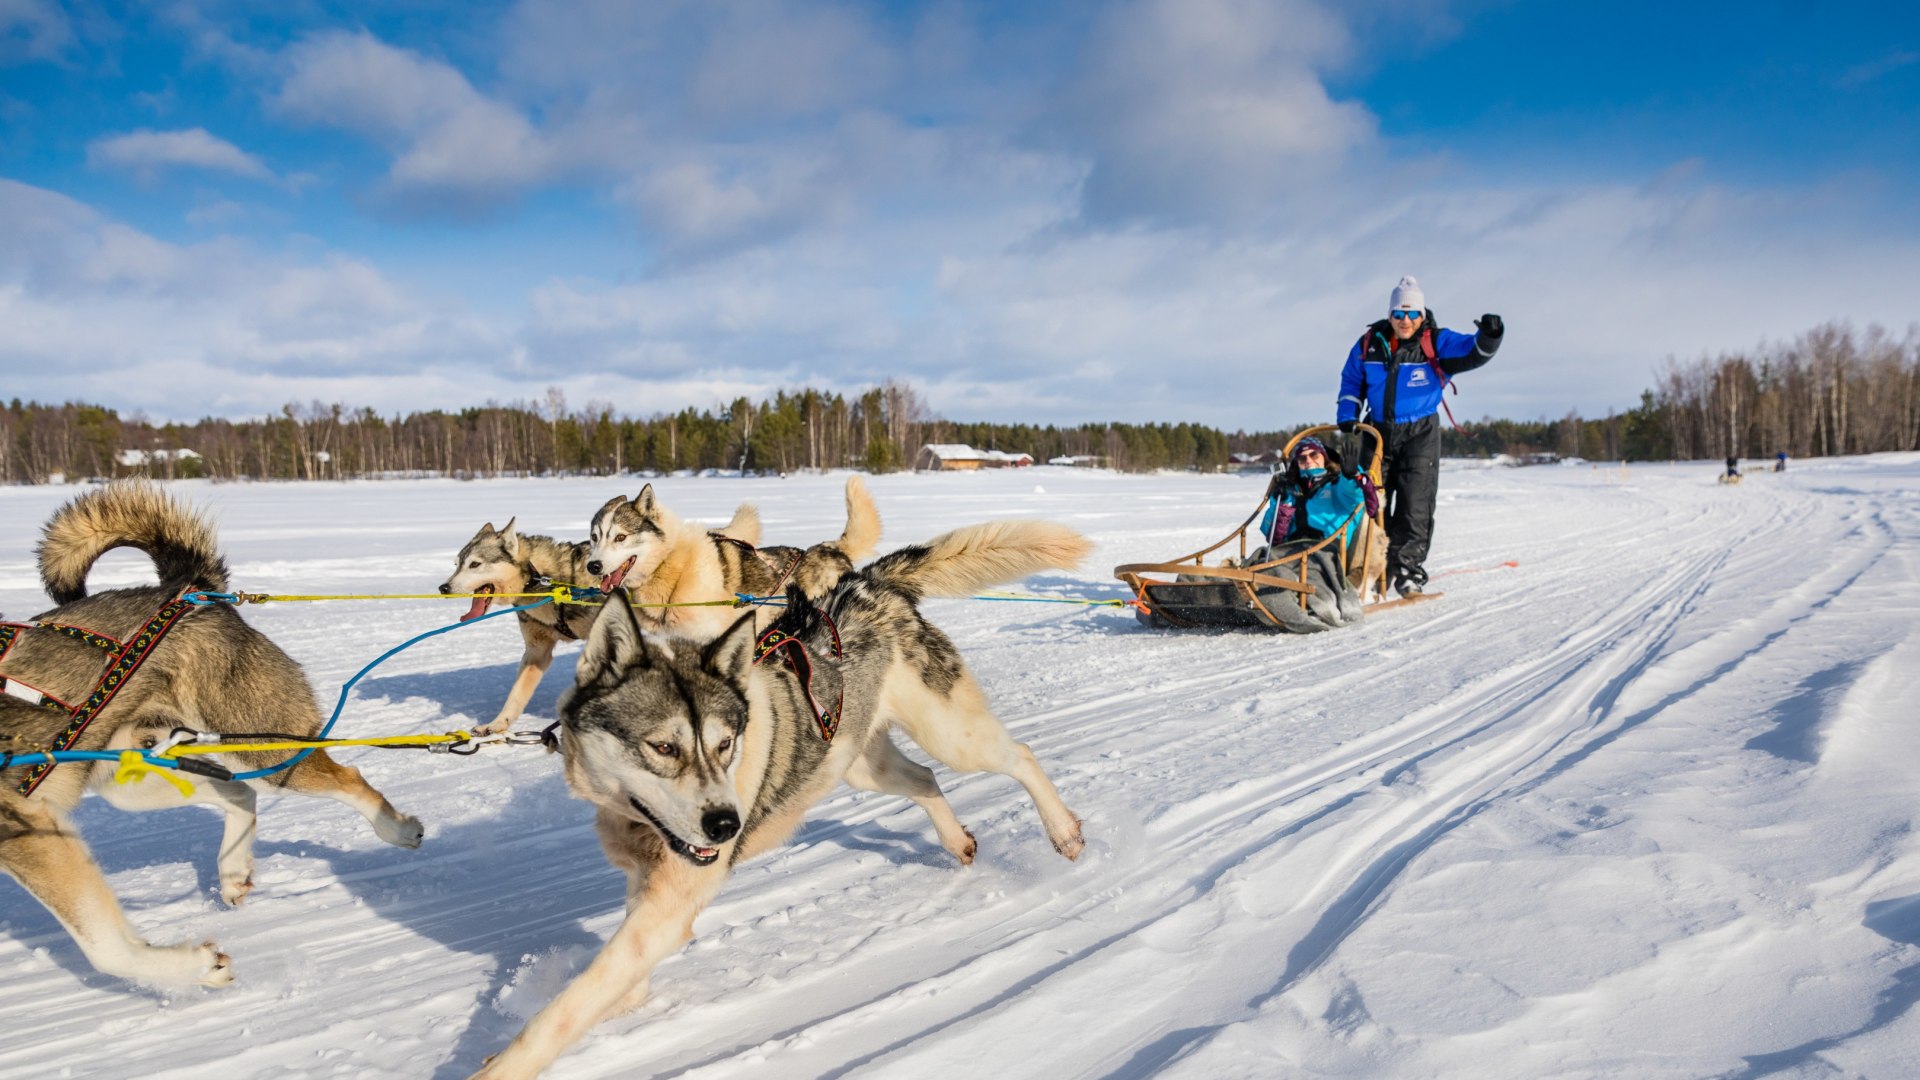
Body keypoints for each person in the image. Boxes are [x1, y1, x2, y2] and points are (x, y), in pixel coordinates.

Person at [1336, 276, 1503, 596]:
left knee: (1416, 506)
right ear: (1390, 315)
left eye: (1413, 314)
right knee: (1369, 504)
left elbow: (1474, 351)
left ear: (1422, 315)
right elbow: (1351, 381)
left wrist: (1490, 335)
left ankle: (1407, 572)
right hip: (1377, 432)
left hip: (1420, 433)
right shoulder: (1369, 343)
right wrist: (1347, 418)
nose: (1405, 321)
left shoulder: (1436, 342)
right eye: (1399, 314)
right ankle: (1366, 571)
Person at [1259, 436, 1370, 550]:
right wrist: (1282, 501)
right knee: (1258, 560)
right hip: (1290, 549)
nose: (1308, 460)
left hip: (1325, 549)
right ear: (1297, 463)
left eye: (1314, 455)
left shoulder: (1336, 484)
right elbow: (1269, 533)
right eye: (1302, 458)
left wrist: (1351, 476)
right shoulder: (1289, 491)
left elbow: (1354, 494)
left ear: (1324, 458)